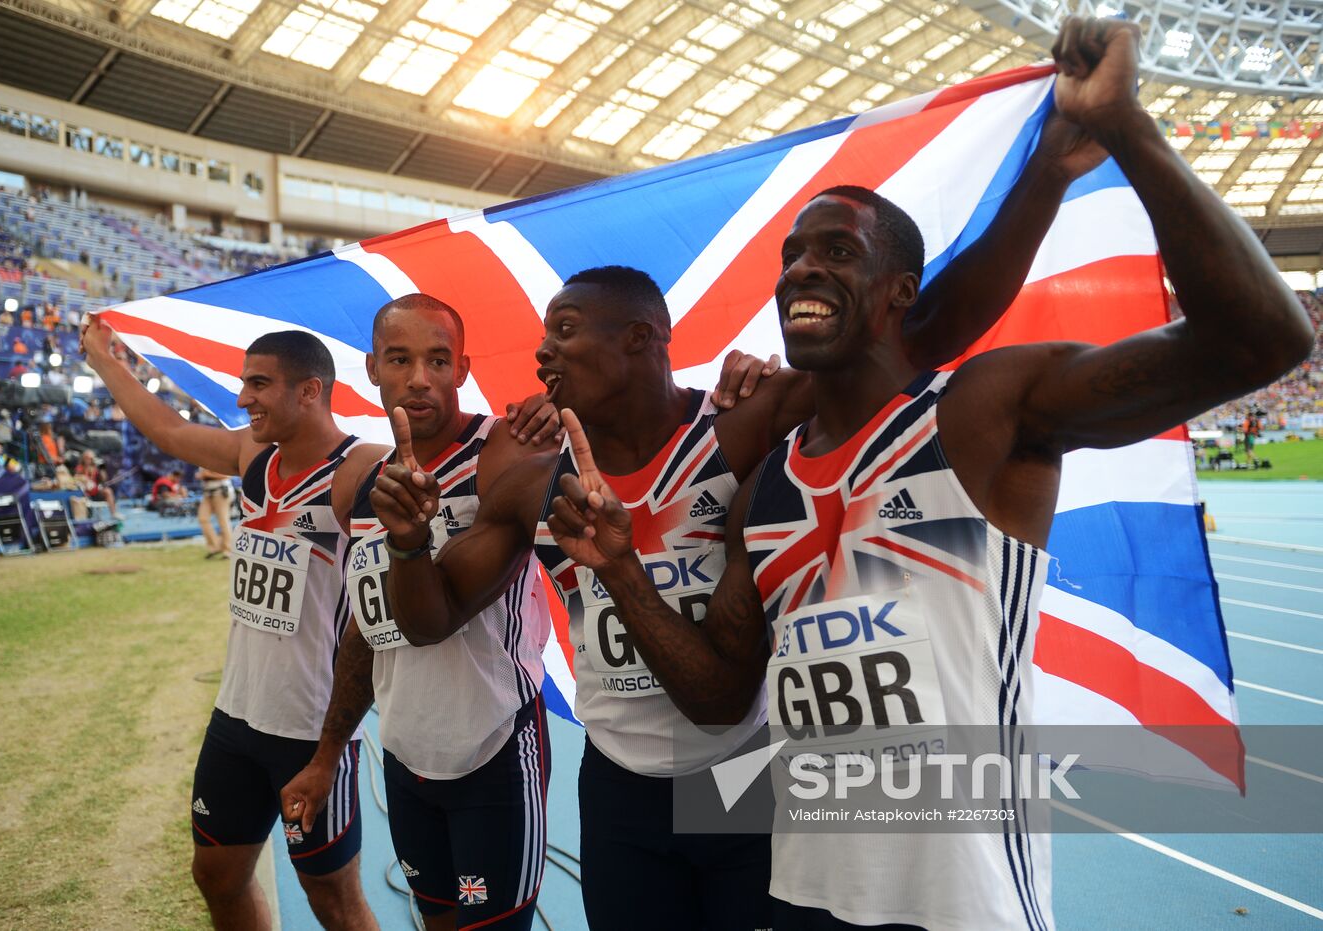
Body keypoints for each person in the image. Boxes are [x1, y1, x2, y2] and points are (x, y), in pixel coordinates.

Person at [542, 18, 1313, 930]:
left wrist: (1126, 128)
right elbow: (717, 700)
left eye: (835, 250)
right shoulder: (768, 493)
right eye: (791, 255)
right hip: (801, 895)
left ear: (900, 292)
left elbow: (1261, 338)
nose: (801, 269)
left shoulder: (981, 412)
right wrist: (623, 572)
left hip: (964, 906)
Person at [367, 114, 1097, 931]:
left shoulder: (740, 428)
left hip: (744, 771)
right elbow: (428, 618)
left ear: (642, 340)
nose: (542, 356)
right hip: (619, 787)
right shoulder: (534, 481)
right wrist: (406, 541)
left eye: (563, 333)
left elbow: (913, 332)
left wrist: (1046, 179)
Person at [82, 318, 386, 931]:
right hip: (236, 714)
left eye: (258, 384)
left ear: (310, 391)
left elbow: (454, 469)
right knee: (216, 876)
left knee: (334, 901)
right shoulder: (253, 455)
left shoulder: (360, 469)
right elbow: (169, 430)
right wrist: (106, 362)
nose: (243, 398)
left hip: (310, 728)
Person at [280, 294, 569, 931]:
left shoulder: (505, 449)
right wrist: (326, 756)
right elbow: (366, 627)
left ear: (462, 369)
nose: (419, 378)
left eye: (438, 360)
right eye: (400, 359)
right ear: (371, 369)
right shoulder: (363, 487)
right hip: (407, 755)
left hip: (494, 749)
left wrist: (556, 410)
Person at [195, 466, 234, 558]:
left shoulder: (219, 457)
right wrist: (202, 475)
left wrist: (207, 474)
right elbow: (201, 474)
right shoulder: (202, 458)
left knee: (223, 521)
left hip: (221, 491)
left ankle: (228, 550)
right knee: (203, 519)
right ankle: (215, 546)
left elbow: (228, 475)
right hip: (207, 492)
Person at [75, 449, 121, 519]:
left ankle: (114, 513)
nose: (88, 460)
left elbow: (103, 479)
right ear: (83, 458)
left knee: (108, 491)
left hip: (95, 492)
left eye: (90, 458)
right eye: (87, 458)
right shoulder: (80, 468)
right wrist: (84, 479)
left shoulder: (96, 468)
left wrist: (101, 469)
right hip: (85, 493)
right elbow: (76, 478)